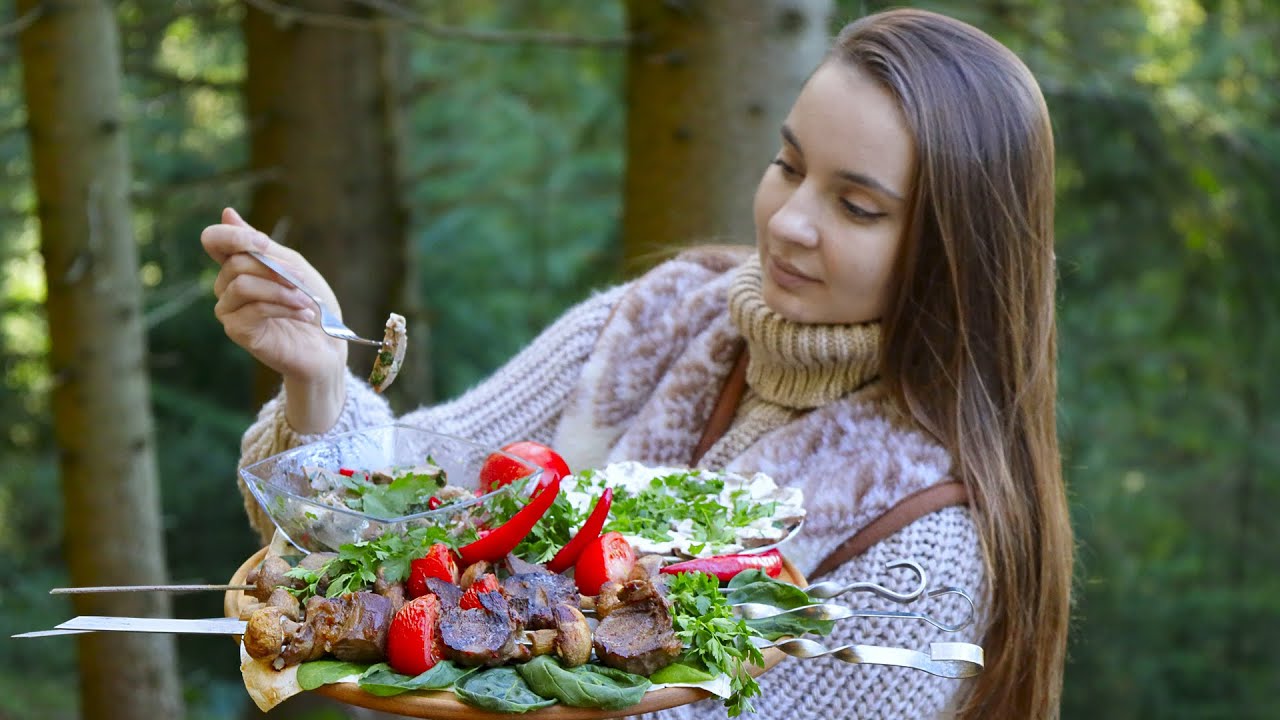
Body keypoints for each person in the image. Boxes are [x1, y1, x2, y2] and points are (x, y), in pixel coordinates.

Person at [203, 8, 1072, 719]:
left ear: (956, 249)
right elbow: (407, 497)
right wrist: (318, 379)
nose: (789, 222)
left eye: (855, 205)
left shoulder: (929, 539)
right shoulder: (661, 318)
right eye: (788, 165)